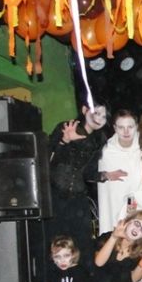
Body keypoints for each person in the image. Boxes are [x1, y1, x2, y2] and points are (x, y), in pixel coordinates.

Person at [47, 100, 109, 271]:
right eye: (96, 113)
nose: (99, 118)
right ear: (84, 110)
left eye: (103, 116)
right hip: (56, 195)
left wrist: (104, 175)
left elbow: (87, 172)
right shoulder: (66, 127)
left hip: (78, 198)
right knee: (54, 242)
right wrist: (64, 141)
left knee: (83, 243)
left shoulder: (99, 139)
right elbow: (47, 161)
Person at [97, 110, 142, 234]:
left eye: (130, 127)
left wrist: (132, 205)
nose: (126, 132)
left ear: (136, 126)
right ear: (115, 128)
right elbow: (105, 190)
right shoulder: (106, 152)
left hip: (139, 203)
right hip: (113, 204)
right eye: (121, 127)